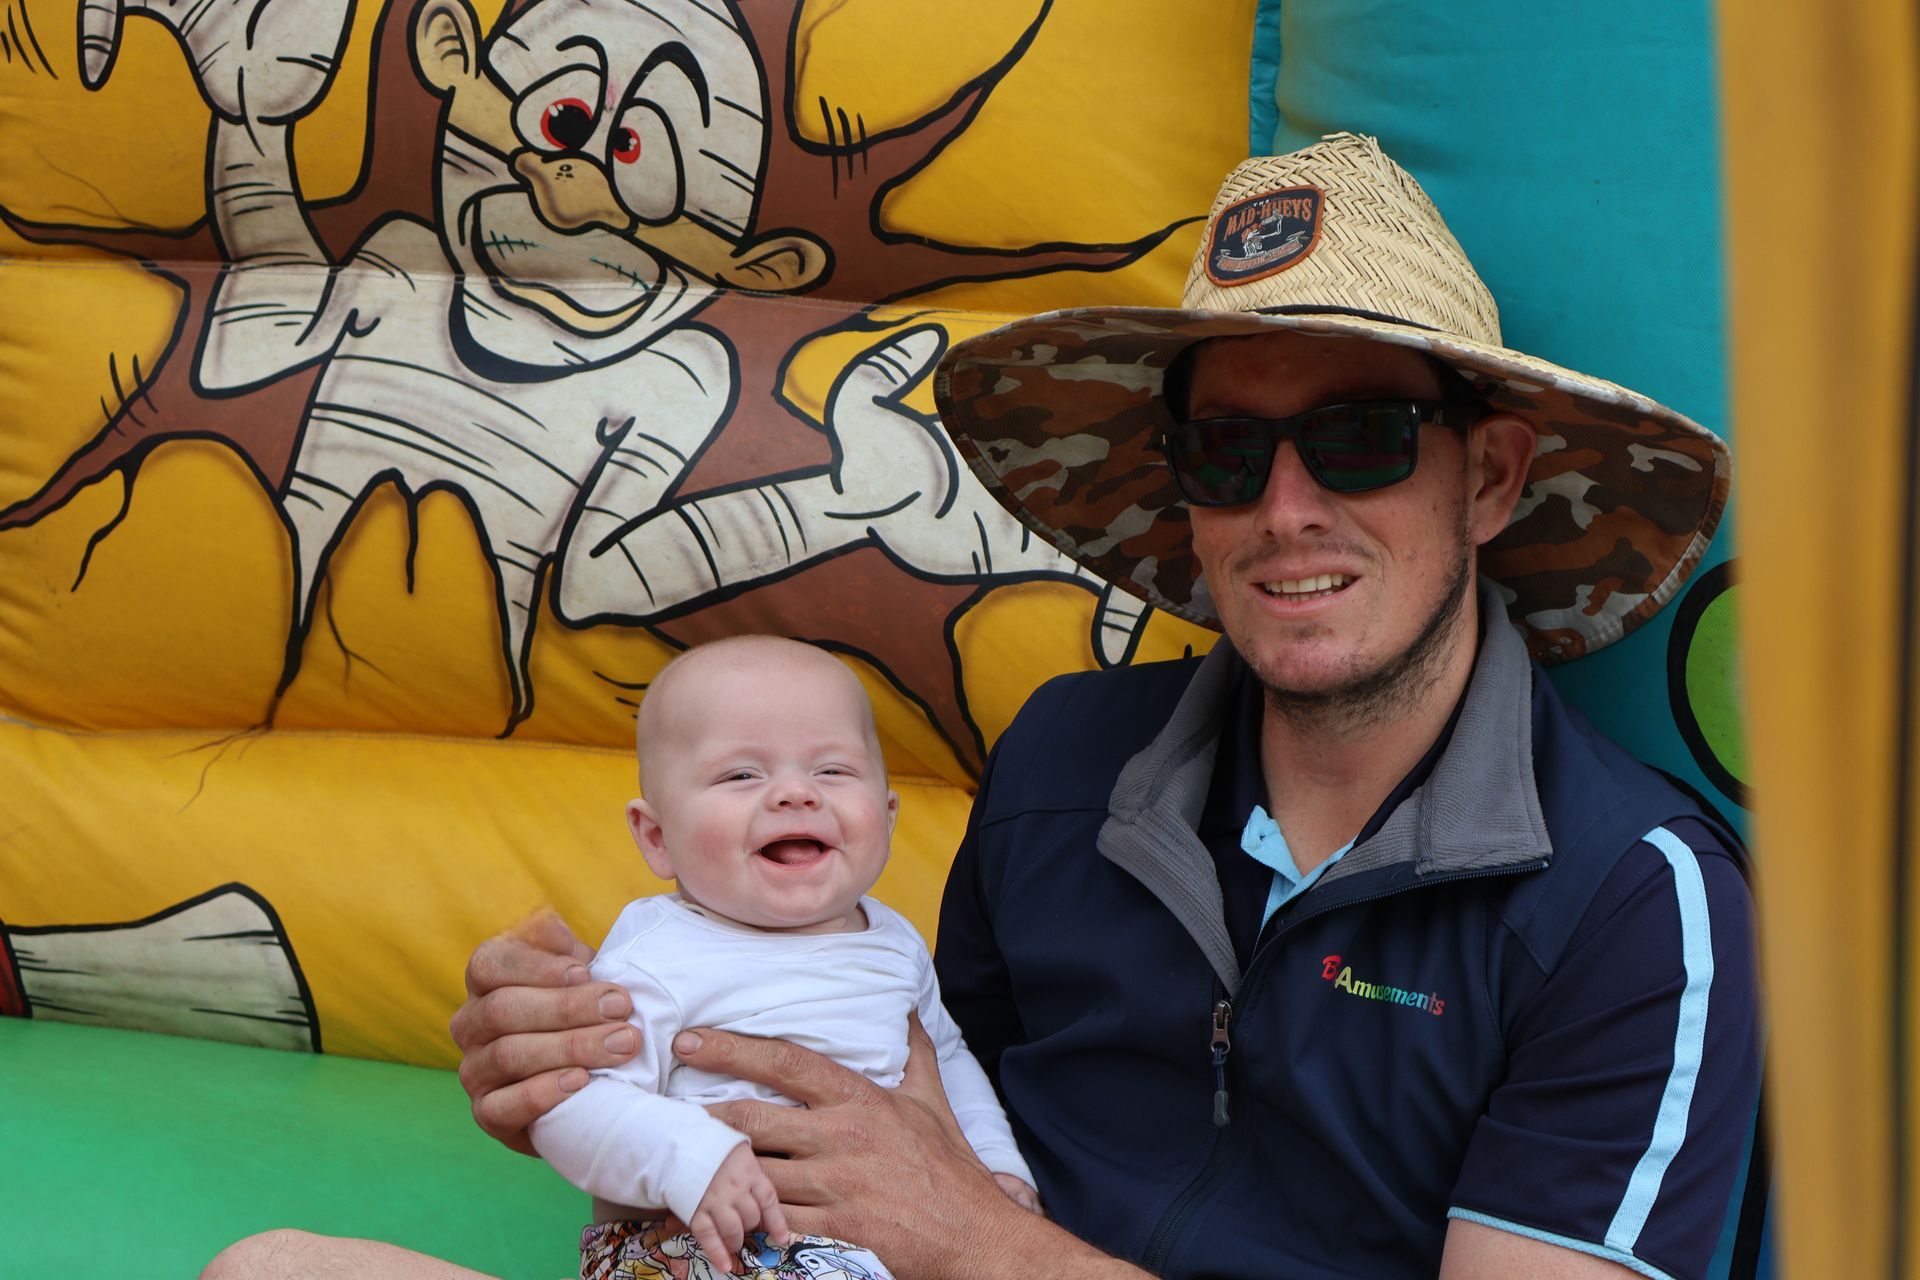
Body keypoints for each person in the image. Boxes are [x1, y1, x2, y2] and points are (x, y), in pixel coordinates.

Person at [214, 134, 1759, 1280]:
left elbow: (949, 1208)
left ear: (1485, 478)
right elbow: (889, 1088)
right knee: (271, 1270)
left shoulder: (1634, 896)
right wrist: (584, 1071)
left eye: (1359, 438)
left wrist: (984, 1249)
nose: (1287, 508)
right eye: (1229, 453)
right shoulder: (1073, 761)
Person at [534, 636, 1036, 1279]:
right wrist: (693, 1159)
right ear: (657, 837)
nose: (796, 793)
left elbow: (947, 1063)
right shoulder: (654, 956)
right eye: (742, 774)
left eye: (833, 770)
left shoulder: (895, 942)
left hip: (898, 1231)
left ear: (886, 817)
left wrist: (997, 1168)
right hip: (705, 1239)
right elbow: (574, 1108)